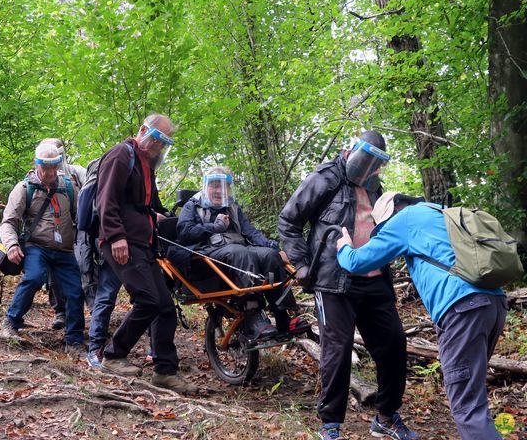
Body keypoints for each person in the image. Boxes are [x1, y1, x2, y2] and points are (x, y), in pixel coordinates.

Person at [278, 131, 417, 440]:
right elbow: (289, 221)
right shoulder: (326, 177)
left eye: (375, 162)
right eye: (365, 158)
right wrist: (301, 265)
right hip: (334, 279)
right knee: (336, 352)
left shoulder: (374, 184)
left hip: (374, 277)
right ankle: (330, 424)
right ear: (350, 151)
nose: (368, 167)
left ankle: (386, 416)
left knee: (394, 344)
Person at [336, 192, 507, 440]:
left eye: (382, 227)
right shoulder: (442, 213)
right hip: (494, 303)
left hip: (462, 308)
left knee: (467, 405)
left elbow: (358, 262)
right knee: (473, 392)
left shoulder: (404, 220)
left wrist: (344, 248)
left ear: (393, 210)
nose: (384, 231)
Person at [95, 113, 197, 394]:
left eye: (165, 143)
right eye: (157, 139)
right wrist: (116, 236)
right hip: (121, 241)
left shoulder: (146, 165)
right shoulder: (120, 155)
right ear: (143, 131)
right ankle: (113, 356)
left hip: (143, 243)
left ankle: (165, 371)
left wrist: (159, 218)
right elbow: (107, 200)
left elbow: (143, 204)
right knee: (148, 300)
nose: (159, 147)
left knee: (165, 306)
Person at [175, 166, 308, 340]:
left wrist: (275, 248)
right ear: (206, 186)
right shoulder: (192, 205)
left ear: (229, 189)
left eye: (223, 186)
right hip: (206, 255)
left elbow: (251, 232)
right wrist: (212, 227)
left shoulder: (233, 207)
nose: (218, 190)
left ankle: (283, 317)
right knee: (241, 253)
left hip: (236, 251)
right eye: (214, 185)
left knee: (268, 255)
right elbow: (184, 234)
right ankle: (253, 316)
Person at [0, 142, 86, 356]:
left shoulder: (69, 187)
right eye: (45, 167)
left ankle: (74, 340)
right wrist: (10, 245)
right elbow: (8, 222)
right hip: (36, 246)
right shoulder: (24, 188)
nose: (49, 172)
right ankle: (11, 322)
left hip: (65, 250)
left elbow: (80, 217)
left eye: (54, 167)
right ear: (36, 164)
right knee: (34, 278)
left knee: (75, 291)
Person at [38, 138, 94, 330]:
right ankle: (60, 311)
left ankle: (94, 311)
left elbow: (92, 191)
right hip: (51, 231)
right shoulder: (37, 175)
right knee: (52, 273)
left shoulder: (77, 172)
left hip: (78, 228)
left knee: (84, 267)